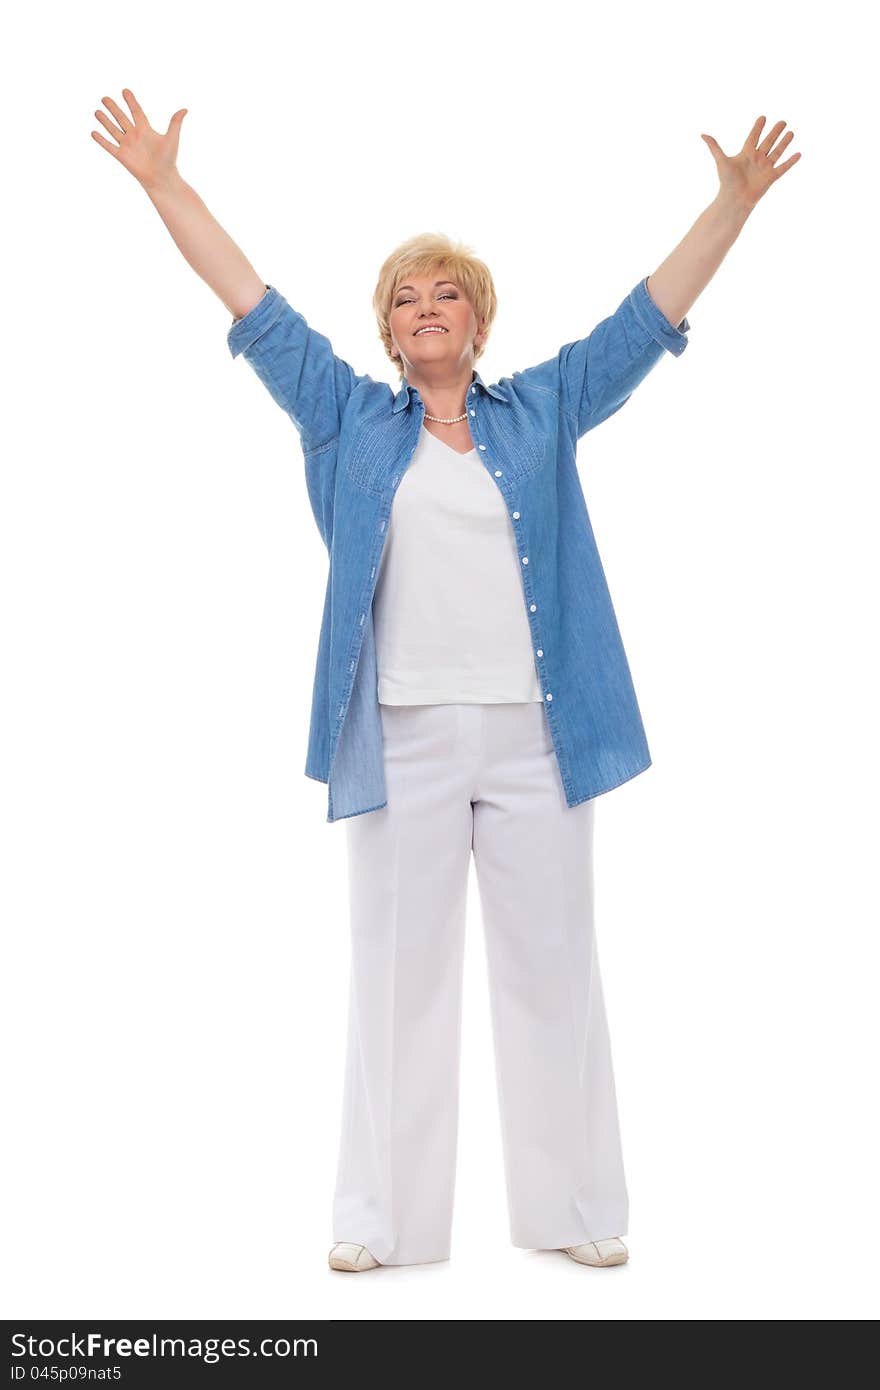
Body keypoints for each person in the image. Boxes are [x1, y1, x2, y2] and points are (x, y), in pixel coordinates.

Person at [92, 92, 801, 1273]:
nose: (428, 309)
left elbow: (646, 319)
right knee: (395, 983)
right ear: (387, 333)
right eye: (406, 298)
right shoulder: (344, 422)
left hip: (539, 739)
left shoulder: (544, 410)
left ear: (476, 322)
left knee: (553, 975)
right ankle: (378, 1222)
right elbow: (251, 301)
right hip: (402, 740)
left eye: (446, 293)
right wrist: (165, 184)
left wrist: (728, 206)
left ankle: (574, 1214)